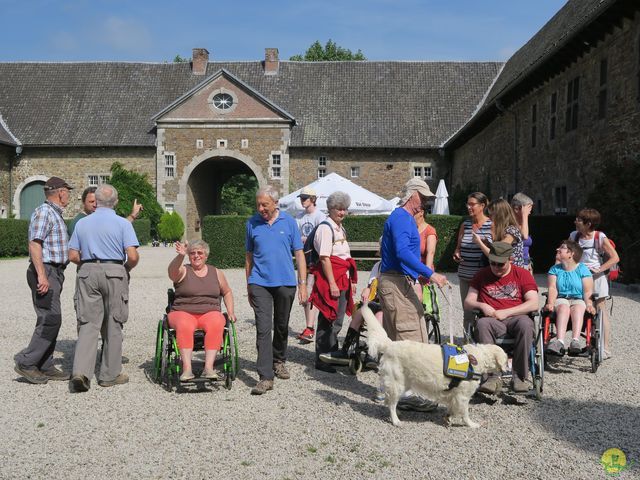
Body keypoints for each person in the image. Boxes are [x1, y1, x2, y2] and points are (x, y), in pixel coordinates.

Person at [379, 178, 447, 411]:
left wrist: (419, 276)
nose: (427, 202)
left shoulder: (403, 218)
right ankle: (405, 394)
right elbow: (402, 253)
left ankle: (395, 390)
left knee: (404, 336)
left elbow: (403, 254)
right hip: (396, 281)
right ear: (412, 195)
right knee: (410, 339)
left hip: (399, 280)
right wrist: (431, 274)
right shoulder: (400, 218)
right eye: (424, 197)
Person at [68, 184, 139, 392]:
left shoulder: (82, 223)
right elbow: (133, 256)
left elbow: (72, 255)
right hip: (115, 270)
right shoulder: (122, 224)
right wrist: (125, 268)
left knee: (88, 323)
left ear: (96, 202)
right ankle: (109, 374)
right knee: (114, 322)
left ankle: (81, 372)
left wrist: (90, 264)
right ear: (115, 202)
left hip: (88, 270)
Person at [245, 186, 307, 395]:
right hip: (259, 282)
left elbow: (299, 254)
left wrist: (303, 283)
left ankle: (278, 360)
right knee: (263, 328)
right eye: (258, 204)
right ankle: (265, 376)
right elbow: (249, 257)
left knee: (281, 325)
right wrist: (248, 284)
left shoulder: (289, 222)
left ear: (275, 203)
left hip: (285, 282)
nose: (260, 208)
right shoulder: (251, 223)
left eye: (264, 204)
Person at [14, 177, 73, 384]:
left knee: (51, 318)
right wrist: (41, 275)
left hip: (54, 272)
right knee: (50, 319)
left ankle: (45, 365)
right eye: (68, 191)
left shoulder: (54, 214)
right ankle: (27, 362)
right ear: (59, 192)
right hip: (46, 271)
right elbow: (35, 245)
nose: (69, 195)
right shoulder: (44, 212)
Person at [464, 242, 539, 393]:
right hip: (491, 320)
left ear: (510, 259)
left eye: (500, 264)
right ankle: (492, 377)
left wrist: (507, 312)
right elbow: (468, 302)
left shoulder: (522, 274)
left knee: (526, 324)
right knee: (482, 324)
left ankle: (519, 377)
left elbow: (534, 303)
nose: (496, 268)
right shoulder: (481, 275)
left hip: (517, 318)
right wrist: (482, 305)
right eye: (493, 263)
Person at [167, 240, 236, 381]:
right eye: (192, 253)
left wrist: (230, 311)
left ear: (206, 256)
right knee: (184, 324)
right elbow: (172, 273)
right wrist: (180, 256)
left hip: (209, 312)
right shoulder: (184, 270)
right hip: (183, 311)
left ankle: (208, 368)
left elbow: (227, 292)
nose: (196, 256)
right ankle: (187, 369)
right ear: (188, 255)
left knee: (217, 322)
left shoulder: (216, 272)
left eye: (200, 253)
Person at [307, 191, 357, 373]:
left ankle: (331, 352)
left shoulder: (339, 228)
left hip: (342, 277)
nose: (342, 212)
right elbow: (325, 258)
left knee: (338, 319)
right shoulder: (325, 228)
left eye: (344, 209)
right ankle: (322, 358)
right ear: (330, 209)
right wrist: (333, 284)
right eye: (339, 209)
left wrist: (351, 280)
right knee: (328, 317)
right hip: (332, 279)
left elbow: (344, 256)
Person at [569, 208, 619, 360]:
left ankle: (605, 349)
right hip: (579, 278)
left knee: (600, 311)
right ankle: (590, 345)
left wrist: (599, 270)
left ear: (588, 223)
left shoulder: (599, 237)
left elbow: (614, 257)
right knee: (584, 309)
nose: (575, 221)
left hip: (597, 279)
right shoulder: (574, 235)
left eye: (578, 219)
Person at [545, 240, 595, 356]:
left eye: (562, 248)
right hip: (562, 298)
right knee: (563, 307)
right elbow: (552, 288)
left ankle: (575, 341)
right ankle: (560, 341)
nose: (558, 249)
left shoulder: (582, 269)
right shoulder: (554, 269)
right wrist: (551, 303)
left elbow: (587, 291)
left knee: (578, 309)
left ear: (570, 253)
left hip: (578, 299)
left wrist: (589, 304)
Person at [453, 192, 492, 333]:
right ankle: (467, 342)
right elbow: (458, 248)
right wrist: (457, 253)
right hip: (465, 275)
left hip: (484, 278)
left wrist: (481, 243)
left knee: (483, 312)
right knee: (467, 312)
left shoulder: (491, 225)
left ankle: (482, 340)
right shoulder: (465, 225)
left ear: (482, 206)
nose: (469, 207)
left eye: (472, 204)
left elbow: (495, 253)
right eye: (467, 204)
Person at [295, 187, 326, 344]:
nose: (302, 200)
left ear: (313, 199)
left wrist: (304, 239)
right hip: (302, 259)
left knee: (310, 292)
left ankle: (310, 327)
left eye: (305, 197)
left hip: (314, 260)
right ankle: (309, 326)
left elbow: (321, 239)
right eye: (301, 197)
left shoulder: (320, 217)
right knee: (304, 294)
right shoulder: (299, 217)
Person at [68, 186, 143, 236]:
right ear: (83, 202)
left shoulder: (96, 219)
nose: (95, 205)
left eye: (97, 201)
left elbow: (117, 226)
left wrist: (133, 215)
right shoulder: (78, 223)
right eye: (91, 202)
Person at [476, 198, 524, 268]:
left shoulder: (512, 230)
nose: (489, 217)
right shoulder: (503, 230)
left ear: (500, 215)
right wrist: (487, 244)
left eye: (491, 215)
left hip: (512, 274)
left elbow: (498, 253)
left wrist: (479, 243)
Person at [510, 193, 534, 272]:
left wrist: (529, 262)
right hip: (516, 264)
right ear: (517, 209)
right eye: (528, 209)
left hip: (526, 263)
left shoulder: (523, 223)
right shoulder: (511, 226)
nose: (529, 212)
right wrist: (525, 215)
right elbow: (524, 236)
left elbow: (525, 245)